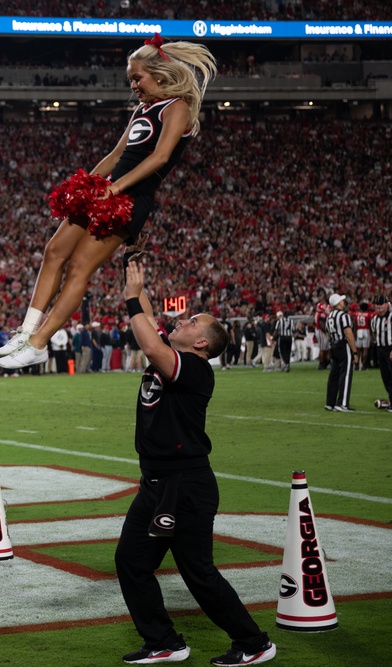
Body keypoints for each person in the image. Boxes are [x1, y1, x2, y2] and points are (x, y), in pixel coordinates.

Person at [0, 35, 217, 369]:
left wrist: (116, 189)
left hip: (130, 199)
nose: (134, 85)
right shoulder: (142, 110)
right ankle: (26, 332)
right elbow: (116, 155)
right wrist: (84, 186)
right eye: (131, 79)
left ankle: (40, 343)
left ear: (158, 74)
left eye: (137, 78)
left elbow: (159, 157)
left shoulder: (178, 108)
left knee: (79, 268)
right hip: (110, 190)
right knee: (53, 252)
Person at [117, 258, 276, 666]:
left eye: (192, 322)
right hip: (155, 483)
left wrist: (132, 299)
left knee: (199, 574)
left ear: (202, 343)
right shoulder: (178, 354)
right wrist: (130, 266)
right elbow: (151, 323)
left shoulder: (195, 369)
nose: (183, 320)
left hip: (185, 485)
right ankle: (163, 641)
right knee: (131, 562)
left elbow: (149, 341)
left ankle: (254, 643)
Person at [325, 294, 357, 412]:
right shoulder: (343, 316)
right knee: (346, 374)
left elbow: (327, 333)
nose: (343, 302)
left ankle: (330, 403)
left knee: (333, 375)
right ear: (338, 303)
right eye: (341, 300)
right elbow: (348, 334)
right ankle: (342, 403)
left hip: (333, 345)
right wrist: (355, 352)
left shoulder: (329, 316)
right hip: (343, 346)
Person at [369, 296, 392, 412]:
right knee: (385, 377)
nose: (380, 309)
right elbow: (374, 332)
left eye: (381, 306)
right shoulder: (374, 319)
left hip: (390, 348)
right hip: (381, 349)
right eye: (377, 307)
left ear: (387, 304)